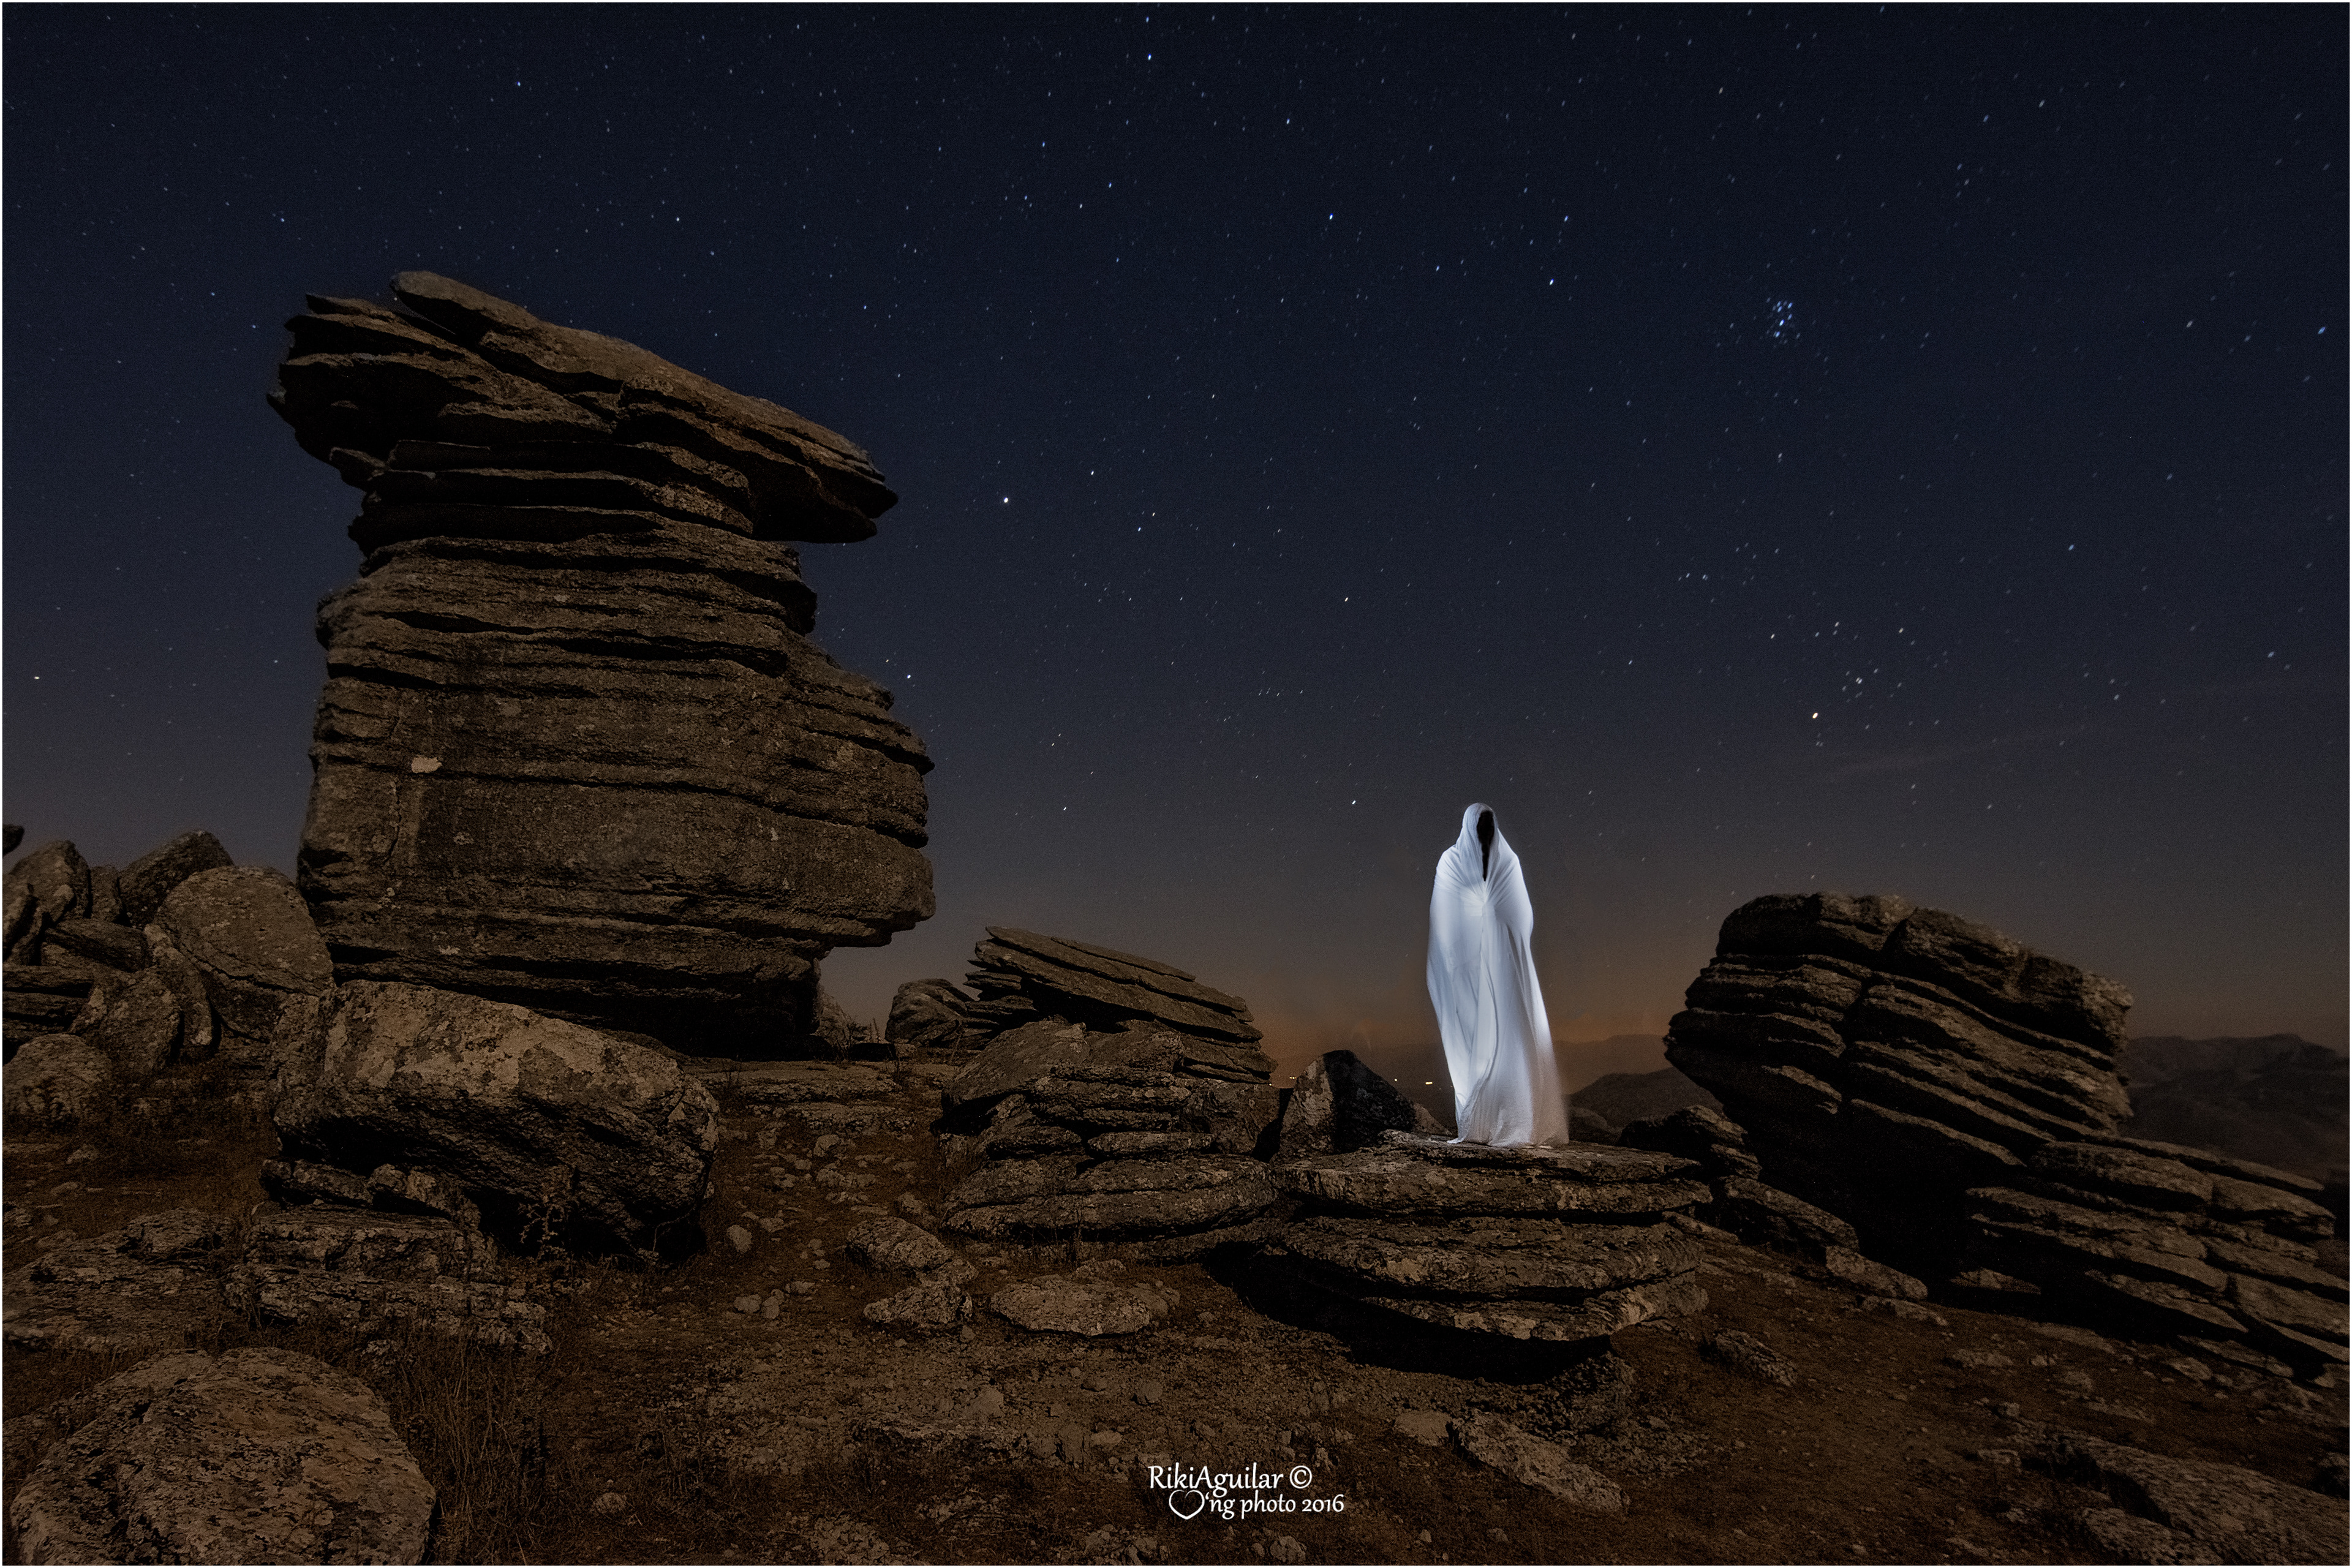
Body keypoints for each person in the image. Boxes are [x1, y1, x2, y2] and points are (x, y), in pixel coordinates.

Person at [1426, 802, 1569, 1147]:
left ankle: (1519, 1120)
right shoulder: (1452, 862)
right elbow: (1444, 918)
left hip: (1507, 968)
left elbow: (1520, 916)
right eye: (1480, 826)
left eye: (1489, 825)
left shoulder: (1509, 863)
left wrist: (1495, 927)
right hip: (1469, 971)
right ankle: (1483, 1122)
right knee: (1478, 1042)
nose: (1484, 833)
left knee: (1514, 1036)